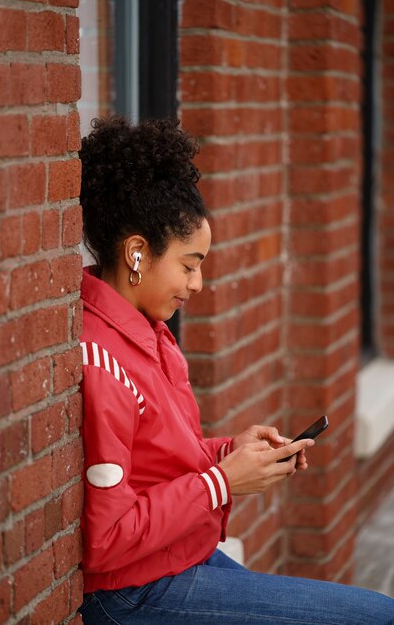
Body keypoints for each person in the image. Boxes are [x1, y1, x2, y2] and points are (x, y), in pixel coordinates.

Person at [77, 115, 394, 624]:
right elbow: (108, 539)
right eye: (189, 263)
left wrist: (230, 452)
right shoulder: (103, 361)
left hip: (177, 560)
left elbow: (156, 463)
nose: (198, 282)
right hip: (133, 593)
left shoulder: (150, 336)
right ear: (137, 253)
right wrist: (222, 482)